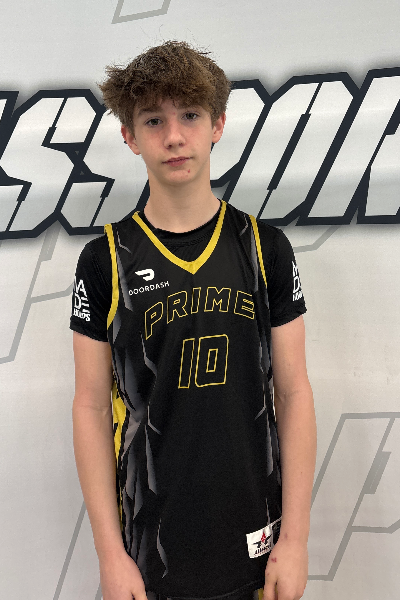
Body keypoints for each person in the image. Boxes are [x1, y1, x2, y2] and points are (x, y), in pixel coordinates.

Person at [70, 40, 317, 600]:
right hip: (150, 548)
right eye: (153, 120)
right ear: (129, 136)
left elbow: (294, 392)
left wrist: (297, 539)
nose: (174, 137)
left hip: (256, 537)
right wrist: (110, 554)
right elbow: (90, 406)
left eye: (189, 115)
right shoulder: (105, 260)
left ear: (217, 125)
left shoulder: (264, 249)